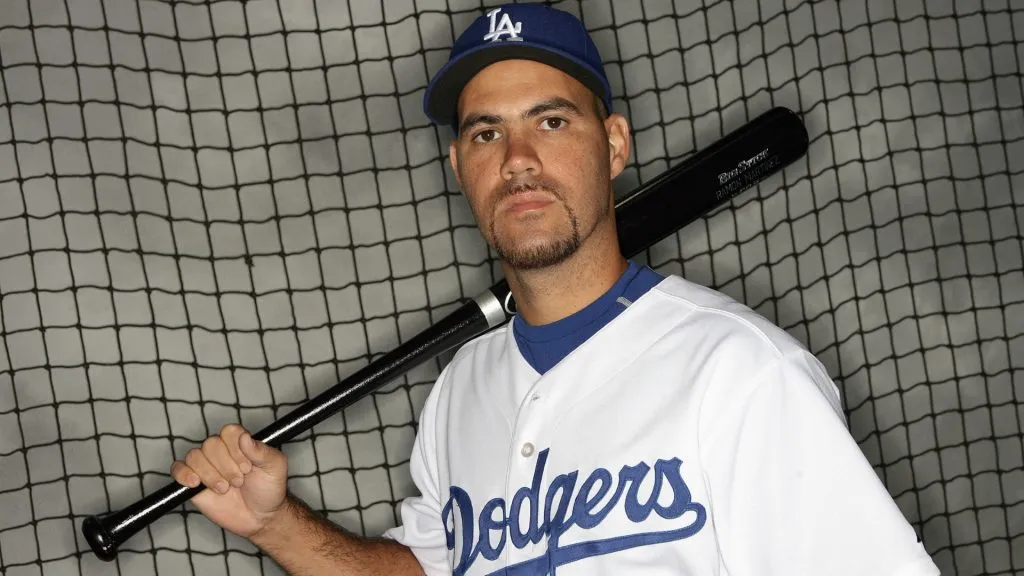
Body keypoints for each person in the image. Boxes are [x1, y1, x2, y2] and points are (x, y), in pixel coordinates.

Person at [170, 4, 942, 575]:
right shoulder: (460, 394)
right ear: (460, 168)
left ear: (612, 145)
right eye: (485, 133)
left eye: (550, 122)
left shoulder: (738, 372)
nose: (516, 159)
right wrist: (274, 525)